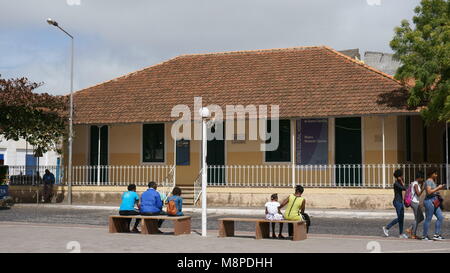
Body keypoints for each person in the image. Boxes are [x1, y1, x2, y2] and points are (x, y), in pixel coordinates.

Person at [382, 169, 408, 238]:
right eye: (401, 175)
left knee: (401, 218)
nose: (402, 176)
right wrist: (402, 182)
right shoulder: (396, 184)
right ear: (398, 176)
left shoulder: (399, 183)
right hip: (397, 202)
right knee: (400, 218)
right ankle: (387, 227)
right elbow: (404, 188)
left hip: (400, 202)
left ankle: (401, 234)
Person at [422, 168, 445, 241]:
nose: (436, 175)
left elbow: (432, 191)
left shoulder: (432, 181)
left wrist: (438, 191)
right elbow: (429, 192)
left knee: (440, 217)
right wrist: (438, 188)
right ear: (432, 174)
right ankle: (424, 236)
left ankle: (436, 235)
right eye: (435, 174)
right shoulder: (429, 181)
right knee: (428, 219)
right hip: (429, 202)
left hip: (434, 202)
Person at [405, 171, 425, 239]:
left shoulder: (414, 183)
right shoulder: (415, 184)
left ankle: (410, 229)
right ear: (419, 178)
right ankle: (413, 234)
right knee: (417, 219)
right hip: (414, 202)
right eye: (422, 178)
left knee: (421, 217)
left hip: (415, 202)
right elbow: (418, 194)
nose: (422, 179)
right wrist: (423, 189)